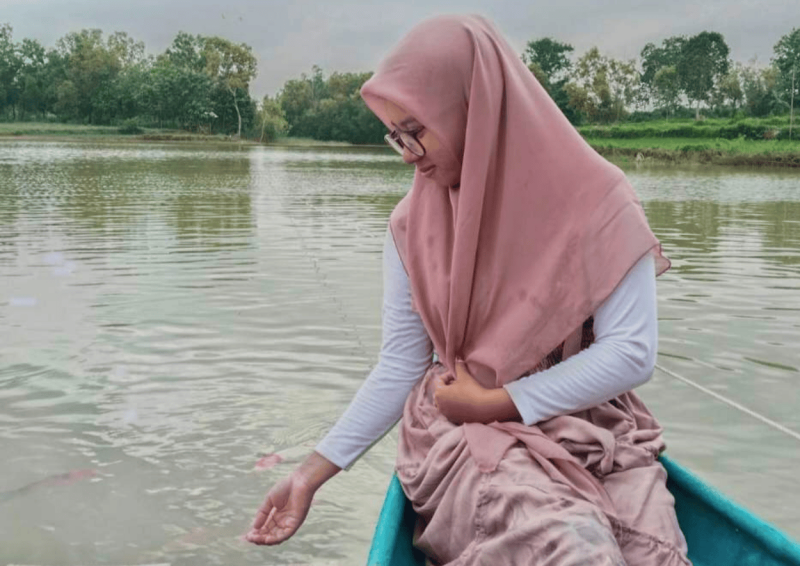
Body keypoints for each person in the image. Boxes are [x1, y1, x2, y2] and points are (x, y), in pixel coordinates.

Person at [246, 14, 691, 566]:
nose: (408, 153)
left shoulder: (600, 201)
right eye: (394, 137)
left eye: (416, 129)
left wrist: (501, 400)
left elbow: (630, 351)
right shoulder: (413, 225)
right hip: (469, 438)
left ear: (473, 110)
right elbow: (400, 365)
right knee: (576, 550)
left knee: (654, 555)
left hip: (592, 428)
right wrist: (310, 475)